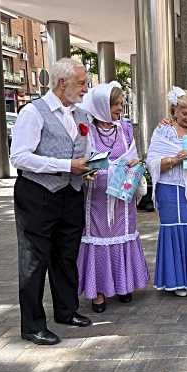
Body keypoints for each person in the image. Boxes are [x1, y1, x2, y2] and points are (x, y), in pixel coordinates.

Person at [10, 58, 92, 345]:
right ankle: (32, 325)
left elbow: (84, 150)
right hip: (38, 195)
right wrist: (65, 165)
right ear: (62, 83)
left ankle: (66, 311)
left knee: (67, 255)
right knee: (34, 260)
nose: (85, 88)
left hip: (71, 194)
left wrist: (89, 167)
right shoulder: (33, 112)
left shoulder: (81, 115)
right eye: (81, 83)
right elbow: (19, 156)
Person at [76, 82, 149, 313]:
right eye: (115, 104)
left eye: (121, 103)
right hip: (96, 197)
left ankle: (123, 284)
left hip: (122, 196)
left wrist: (135, 163)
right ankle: (98, 291)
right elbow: (82, 160)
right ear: (101, 106)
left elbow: (134, 155)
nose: (120, 108)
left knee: (123, 235)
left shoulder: (124, 128)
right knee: (98, 239)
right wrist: (88, 171)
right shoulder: (86, 129)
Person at [146, 88, 187, 297]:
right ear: (174, 110)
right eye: (184, 113)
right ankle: (178, 281)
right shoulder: (164, 130)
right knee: (175, 230)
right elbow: (152, 162)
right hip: (171, 188)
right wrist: (175, 159)